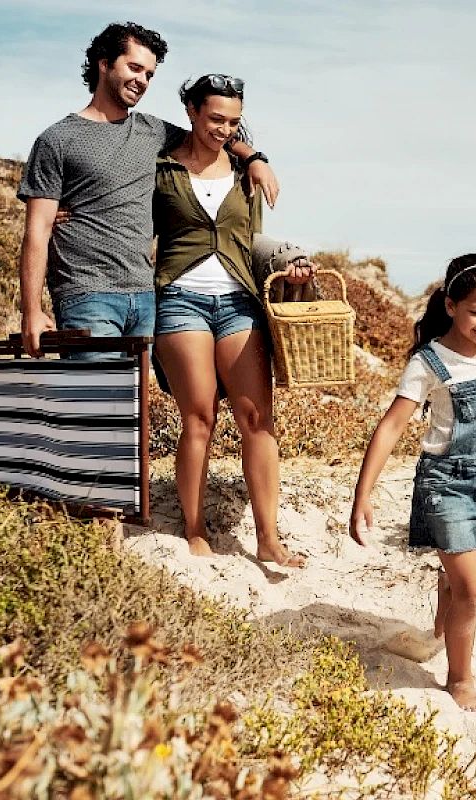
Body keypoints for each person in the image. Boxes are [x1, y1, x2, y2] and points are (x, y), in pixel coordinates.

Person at [348, 254, 476, 711]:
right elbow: (391, 426)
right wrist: (363, 495)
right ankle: (459, 679)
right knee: (473, 590)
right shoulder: (429, 362)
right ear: (450, 305)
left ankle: (450, 587)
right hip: (446, 486)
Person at [16, 22, 279, 358]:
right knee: (98, 402)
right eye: (134, 67)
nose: (142, 80)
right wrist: (32, 311)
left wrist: (255, 158)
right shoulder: (57, 140)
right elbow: (36, 230)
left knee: (134, 407)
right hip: (87, 293)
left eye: (149, 74)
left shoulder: (152, 131)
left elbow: (212, 133)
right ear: (104, 63)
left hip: (145, 296)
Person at [151, 73, 314, 568]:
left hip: (239, 301)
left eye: (233, 122)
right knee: (198, 418)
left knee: (257, 419)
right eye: (214, 118)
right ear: (192, 113)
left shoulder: (248, 171)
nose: (223, 129)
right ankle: (194, 528)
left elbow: (253, 241)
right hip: (180, 299)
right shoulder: (160, 169)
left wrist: (289, 267)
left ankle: (268, 537)